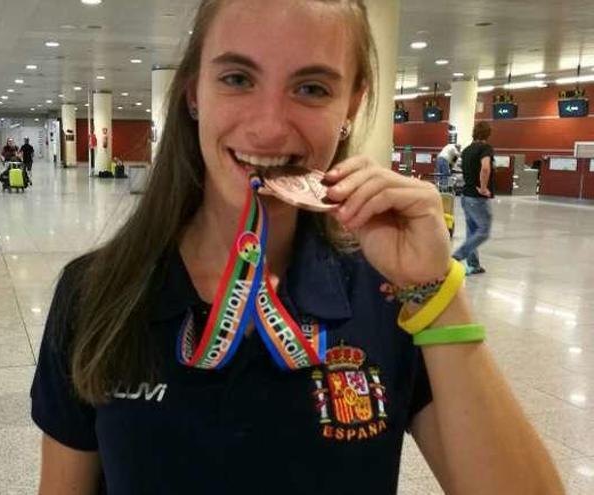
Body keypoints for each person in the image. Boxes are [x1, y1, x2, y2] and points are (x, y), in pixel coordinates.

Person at [30, 1, 563, 494]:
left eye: (311, 89)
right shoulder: (96, 293)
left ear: (352, 104)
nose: (268, 128)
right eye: (237, 78)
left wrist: (435, 292)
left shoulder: (389, 293)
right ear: (194, 92)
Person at [453, 122, 495, 275]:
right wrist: (483, 188)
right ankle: (456, 256)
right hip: (477, 198)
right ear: (488, 134)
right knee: (483, 231)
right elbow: (485, 168)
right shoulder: (485, 149)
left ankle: (473, 264)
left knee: (472, 231)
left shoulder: (466, 150)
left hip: (466, 195)